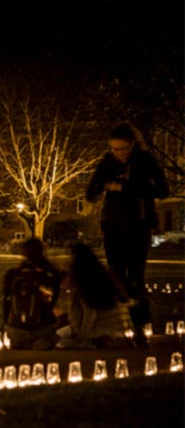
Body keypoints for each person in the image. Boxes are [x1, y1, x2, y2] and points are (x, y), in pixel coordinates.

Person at [86, 122, 169, 348]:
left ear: (133, 144)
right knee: (115, 276)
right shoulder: (107, 163)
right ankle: (113, 328)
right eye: (114, 149)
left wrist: (127, 187)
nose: (119, 154)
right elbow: (90, 192)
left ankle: (140, 327)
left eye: (123, 149)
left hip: (138, 225)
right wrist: (106, 185)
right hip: (113, 226)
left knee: (135, 277)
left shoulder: (145, 161)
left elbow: (162, 190)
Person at [55, 244, 133, 349]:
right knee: (59, 335)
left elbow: (89, 317)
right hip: (122, 331)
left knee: (59, 343)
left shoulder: (87, 287)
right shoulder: (105, 278)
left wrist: (80, 340)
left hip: (102, 335)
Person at [1, 238, 63, 350]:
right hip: (42, 328)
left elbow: (6, 301)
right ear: (41, 251)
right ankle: (42, 341)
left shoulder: (13, 273)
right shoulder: (50, 274)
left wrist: (5, 324)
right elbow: (55, 300)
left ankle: (20, 341)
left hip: (16, 329)